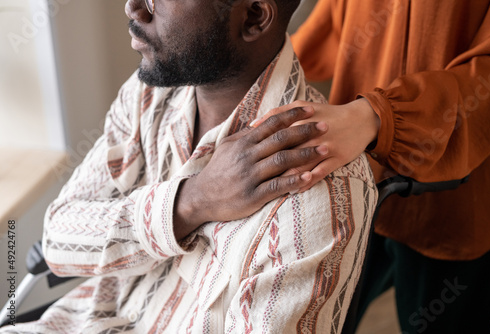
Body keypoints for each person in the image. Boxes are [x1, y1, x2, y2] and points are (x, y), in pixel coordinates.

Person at [0, 0, 377, 332]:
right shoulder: (149, 95)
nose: (134, 8)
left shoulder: (317, 192)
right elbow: (58, 240)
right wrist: (191, 201)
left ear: (254, 16)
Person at [253, 0, 490, 332]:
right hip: (357, 190)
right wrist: (257, 74)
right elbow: (334, 22)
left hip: (458, 207)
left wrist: (377, 117)